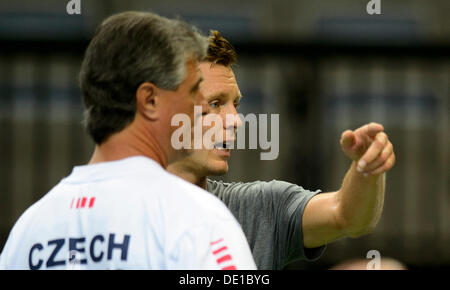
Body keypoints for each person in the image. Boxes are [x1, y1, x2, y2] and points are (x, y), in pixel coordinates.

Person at [0, 13, 256, 270]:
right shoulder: (198, 220)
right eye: (192, 93)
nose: (198, 107)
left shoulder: (27, 232)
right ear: (150, 100)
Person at [167, 30, 396, 270]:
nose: (236, 120)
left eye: (235, 105)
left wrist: (367, 170)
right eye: (216, 104)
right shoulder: (127, 210)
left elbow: (346, 215)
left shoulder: (261, 208)